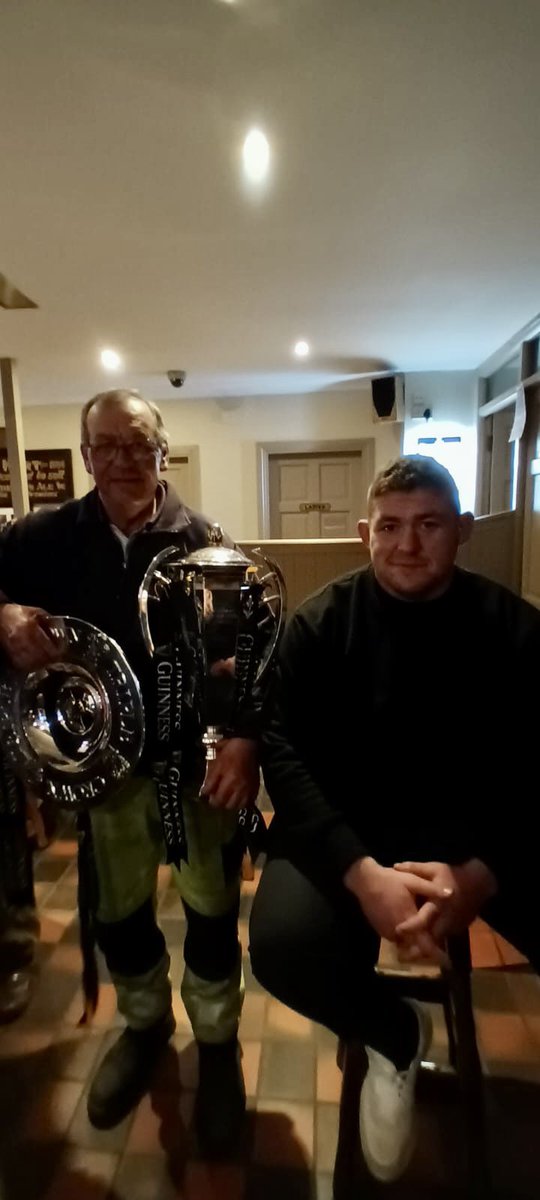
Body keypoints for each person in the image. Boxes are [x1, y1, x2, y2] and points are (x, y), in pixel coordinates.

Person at [249, 455, 540, 1184]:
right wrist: (358, 871)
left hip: (479, 837)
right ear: (363, 534)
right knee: (283, 946)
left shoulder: (515, 627)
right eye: (391, 527)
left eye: (430, 525)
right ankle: (391, 1034)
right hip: (354, 832)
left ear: (463, 531)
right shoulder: (318, 626)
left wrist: (485, 870)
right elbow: (283, 755)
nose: (408, 543)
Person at [0, 389, 260, 1156]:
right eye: (105, 445)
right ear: (84, 456)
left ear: (163, 449)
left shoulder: (205, 539)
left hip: (193, 767)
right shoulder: (39, 539)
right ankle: (145, 1028)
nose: (122, 459)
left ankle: (216, 1046)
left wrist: (242, 738)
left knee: (212, 917)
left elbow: (245, 657)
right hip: (102, 775)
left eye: (137, 443)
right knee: (120, 916)